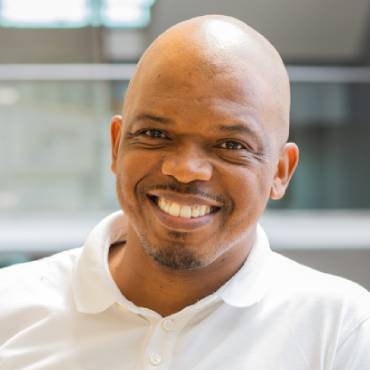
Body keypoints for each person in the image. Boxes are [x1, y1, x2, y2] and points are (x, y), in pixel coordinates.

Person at [0, 15, 369, 370]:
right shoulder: (10, 307)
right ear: (116, 146)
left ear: (280, 171)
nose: (185, 169)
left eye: (230, 143)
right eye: (155, 134)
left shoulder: (343, 331)